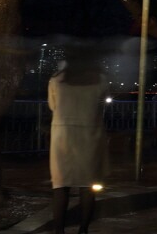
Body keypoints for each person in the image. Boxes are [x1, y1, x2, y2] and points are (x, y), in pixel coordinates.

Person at [48, 49, 107, 234]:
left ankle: (59, 231)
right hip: (89, 136)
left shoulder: (56, 80)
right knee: (87, 186)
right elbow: (101, 104)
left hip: (62, 136)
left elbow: (52, 105)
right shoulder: (100, 79)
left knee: (60, 185)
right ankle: (83, 230)